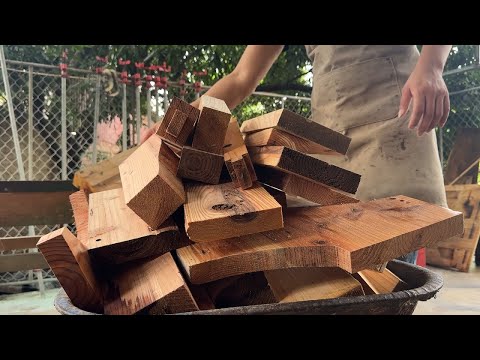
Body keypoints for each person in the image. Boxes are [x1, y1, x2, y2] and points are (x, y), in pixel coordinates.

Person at [150, 45, 453, 264]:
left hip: (396, 121)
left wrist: (431, 67)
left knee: (392, 264)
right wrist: (180, 120)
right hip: (333, 136)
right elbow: (241, 78)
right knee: (341, 276)